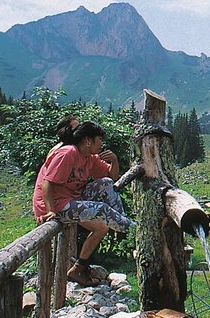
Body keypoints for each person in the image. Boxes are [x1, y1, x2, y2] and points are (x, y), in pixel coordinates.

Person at [33, 121, 135, 286]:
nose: (102, 143)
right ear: (88, 140)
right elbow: (47, 184)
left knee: (106, 188)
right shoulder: (67, 153)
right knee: (102, 210)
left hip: (73, 199)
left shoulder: (89, 158)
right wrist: (50, 211)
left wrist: (114, 160)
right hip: (54, 204)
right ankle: (135, 233)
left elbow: (113, 177)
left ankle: (78, 269)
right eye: (99, 139)